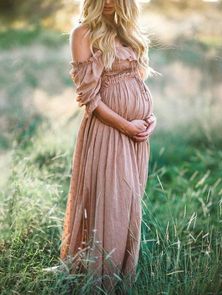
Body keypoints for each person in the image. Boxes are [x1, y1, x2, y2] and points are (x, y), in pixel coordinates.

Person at [59, 0, 158, 293]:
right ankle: (97, 282)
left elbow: (137, 83)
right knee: (110, 205)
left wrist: (149, 117)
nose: (110, 1)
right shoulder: (83, 33)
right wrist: (126, 125)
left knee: (127, 206)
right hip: (109, 132)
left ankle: (121, 281)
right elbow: (89, 98)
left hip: (136, 136)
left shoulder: (129, 32)